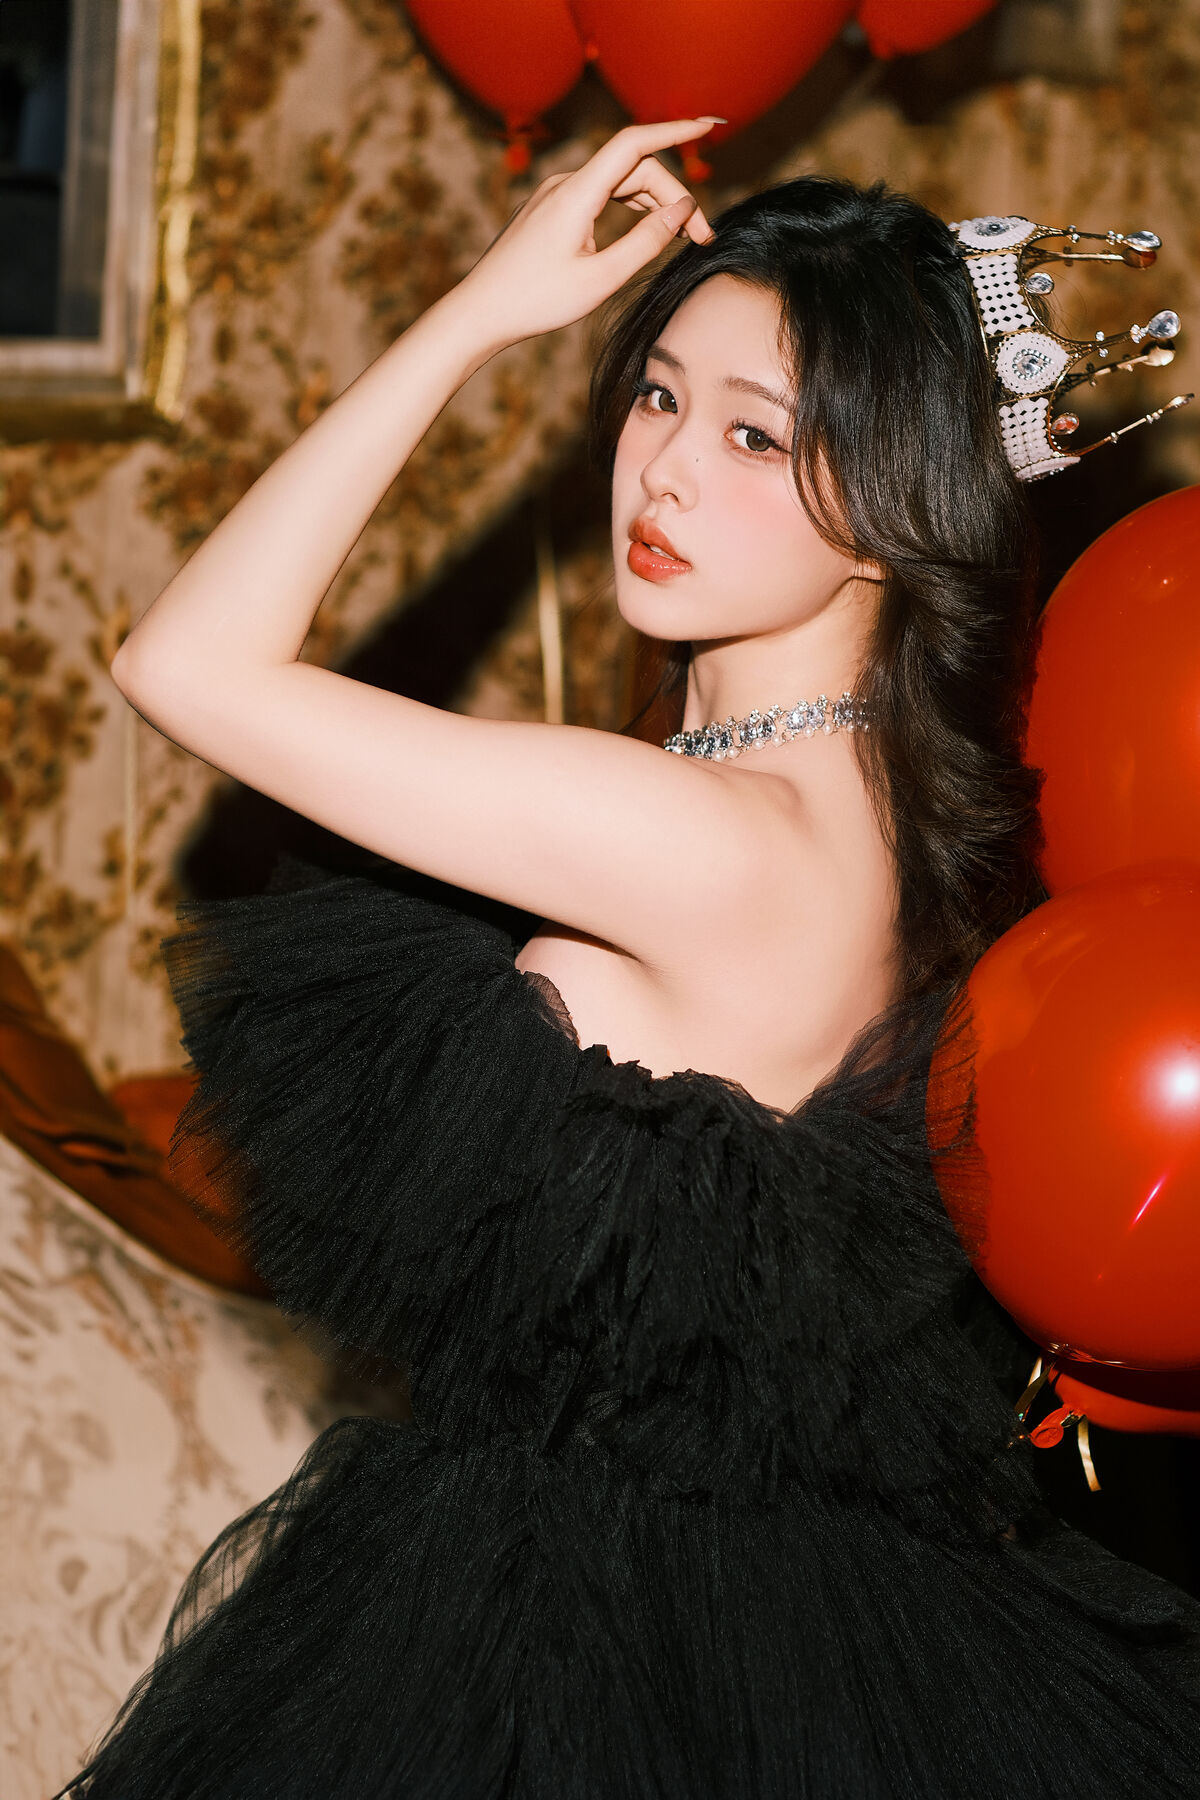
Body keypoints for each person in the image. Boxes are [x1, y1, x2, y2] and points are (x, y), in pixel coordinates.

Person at [61, 119, 1200, 1798]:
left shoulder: (711, 838)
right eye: (657, 395)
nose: (662, 471)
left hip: (570, 1643)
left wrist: (479, 312)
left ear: (891, 512)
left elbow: (187, 663)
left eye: (755, 435)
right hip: (703, 1622)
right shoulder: (839, 810)